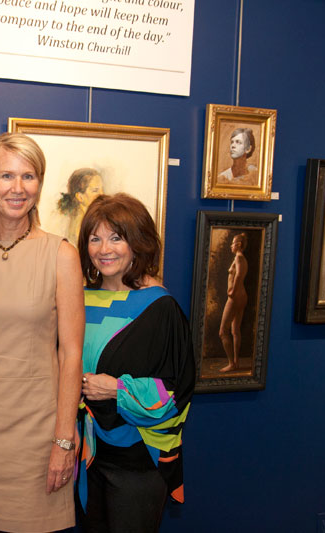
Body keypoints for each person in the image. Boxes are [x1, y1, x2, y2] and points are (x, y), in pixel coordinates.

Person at [0, 132, 84, 532]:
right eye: (7, 176)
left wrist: (64, 439)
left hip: (40, 440)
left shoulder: (60, 254)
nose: (18, 188)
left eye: (29, 176)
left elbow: (71, 354)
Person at [76, 193, 194, 532]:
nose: (104, 249)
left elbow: (176, 392)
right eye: (95, 238)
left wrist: (116, 389)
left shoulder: (160, 307)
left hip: (138, 464)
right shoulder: (80, 298)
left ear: (137, 243)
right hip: (88, 456)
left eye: (116, 237)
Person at [219, 232, 248, 373]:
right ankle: (236, 362)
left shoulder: (239, 258)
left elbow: (238, 276)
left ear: (239, 245)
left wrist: (232, 291)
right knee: (235, 330)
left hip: (236, 296)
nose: (231, 246)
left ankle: (232, 363)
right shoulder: (238, 258)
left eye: (233, 243)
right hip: (240, 296)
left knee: (223, 331)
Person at [56, 167, 104, 245]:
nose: (102, 194)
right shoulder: (79, 228)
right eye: (95, 190)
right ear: (80, 197)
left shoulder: (91, 219)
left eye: (102, 189)